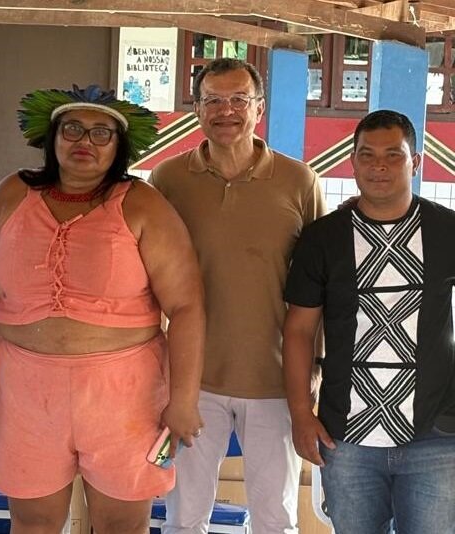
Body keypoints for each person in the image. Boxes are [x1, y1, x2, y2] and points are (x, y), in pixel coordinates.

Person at [0, 84, 205, 533]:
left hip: (125, 392)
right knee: (33, 523)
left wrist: (183, 400)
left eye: (102, 134)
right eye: (73, 129)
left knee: (120, 525)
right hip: (26, 388)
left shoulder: (143, 204)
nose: (84, 142)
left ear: (119, 147)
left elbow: (187, 305)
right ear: (52, 137)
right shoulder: (10, 195)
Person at [151, 58, 325, 534]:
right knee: (184, 518)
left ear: (259, 109)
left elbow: (323, 284)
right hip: (192, 380)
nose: (225, 111)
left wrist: (314, 368)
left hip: (276, 381)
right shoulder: (168, 180)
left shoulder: (298, 181)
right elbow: (147, 278)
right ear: (196, 110)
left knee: (276, 520)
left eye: (238, 100)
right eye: (213, 100)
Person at [283, 110, 455, 534]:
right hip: (346, 437)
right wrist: (302, 414)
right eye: (368, 155)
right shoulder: (322, 238)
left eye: (394, 155)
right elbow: (299, 331)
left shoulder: (447, 231)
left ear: (417, 162)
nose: (380, 165)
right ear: (353, 161)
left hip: (437, 436)